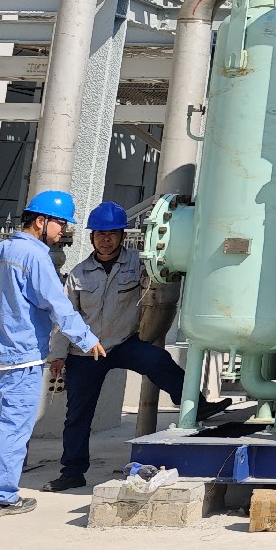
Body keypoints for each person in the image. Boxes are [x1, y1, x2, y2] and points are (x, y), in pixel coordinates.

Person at [0, 191, 102, 517]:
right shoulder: (35, 257)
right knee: (12, 427)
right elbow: (58, 305)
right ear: (41, 221)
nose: (63, 231)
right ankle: (0, 496)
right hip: (23, 356)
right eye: (61, 224)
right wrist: (86, 339)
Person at [47, 200, 221, 492]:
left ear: (121, 236)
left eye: (112, 234)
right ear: (92, 237)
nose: (106, 239)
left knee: (157, 360)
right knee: (77, 415)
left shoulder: (138, 264)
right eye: (100, 234)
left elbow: (164, 273)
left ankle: (195, 405)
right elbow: (66, 317)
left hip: (123, 342)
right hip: (86, 351)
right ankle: (72, 472)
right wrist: (57, 355)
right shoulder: (79, 274)